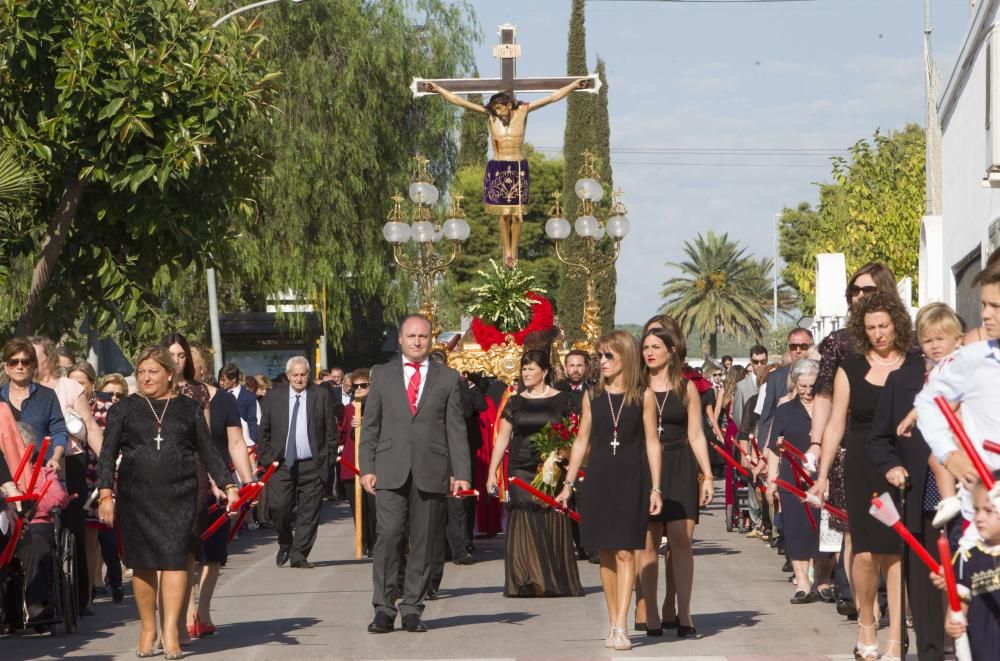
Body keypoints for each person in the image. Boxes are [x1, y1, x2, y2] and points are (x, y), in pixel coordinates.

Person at [97, 346, 239, 659]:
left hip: (181, 495)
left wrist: (229, 484)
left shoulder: (188, 407)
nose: (146, 378)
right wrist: (106, 493)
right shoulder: (124, 409)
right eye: (142, 372)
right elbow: (106, 454)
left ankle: (171, 630)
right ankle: (149, 626)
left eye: (153, 371)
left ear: (169, 375)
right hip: (137, 497)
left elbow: (208, 450)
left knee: (176, 559)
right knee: (143, 564)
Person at [809, 292, 918, 661]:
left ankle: (896, 635)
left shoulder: (915, 364)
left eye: (884, 326)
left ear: (897, 324)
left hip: (904, 462)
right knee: (867, 552)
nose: (878, 334)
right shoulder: (850, 368)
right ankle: (867, 623)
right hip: (861, 463)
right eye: (870, 328)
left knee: (898, 549)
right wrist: (822, 474)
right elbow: (836, 423)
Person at [358, 314, 471, 634]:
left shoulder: (448, 378)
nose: (417, 341)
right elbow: (371, 426)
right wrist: (367, 467)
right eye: (411, 336)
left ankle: (411, 608)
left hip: (431, 471)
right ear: (400, 339)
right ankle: (383, 607)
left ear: (430, 339)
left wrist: (461, 472)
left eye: (423, 336)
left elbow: (455, 429)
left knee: (424, 542)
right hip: (389, 470)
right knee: (389, 536)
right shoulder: (381, 374)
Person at [866, 303, 964, 661]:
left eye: (942, 338)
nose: (935, 346)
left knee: (967, 574)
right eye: (927, 340)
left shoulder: (975, 379)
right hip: (921, 495)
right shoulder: (902, 381)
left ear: (958, 339)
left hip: (969, 495)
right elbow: (877, 438)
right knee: (922, 582)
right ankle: (932, 653)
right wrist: (891, 466)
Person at [557, 330, 663, 651]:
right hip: (599, 479)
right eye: (599, 356)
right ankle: (613, 621)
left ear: (625, 357)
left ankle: (623, 625)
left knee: (625, 551)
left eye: (608, 356)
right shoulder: (592, 396)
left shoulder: (643, 396)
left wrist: (656, 488)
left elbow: (652, 443)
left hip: (632, 479)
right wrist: (568, 483)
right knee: (604, 553)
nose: (601, 362)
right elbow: (581, 441)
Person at [634, 325, 713, 638]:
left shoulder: (686, 388)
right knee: (648, 543)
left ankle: (684, 611)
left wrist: (706, 475)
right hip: (645, 464)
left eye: (656, 347)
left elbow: (696, 434)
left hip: (680, 463)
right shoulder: (636, 386)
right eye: (645, 347)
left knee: (681, 541)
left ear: (671, 352)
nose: (650, 352)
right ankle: (650, 611)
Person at [485, 350, 583, 597]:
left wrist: (564, 458)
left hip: (552, 467)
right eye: (524, 368)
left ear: (545, 372)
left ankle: (552, 579)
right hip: (521, 467)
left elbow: (574, 435)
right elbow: (502, 440)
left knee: (550, 517)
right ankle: (526, 579)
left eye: (531, 368)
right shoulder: (515, 402)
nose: (526, 373)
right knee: (525, 520)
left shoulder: (564, 399)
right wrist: (491, 473)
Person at [187, 379, 255, 637]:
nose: (180, 361)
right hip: (180, 484)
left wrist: (247, 483)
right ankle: (183, 615)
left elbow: (236, 443)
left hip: (218, 483)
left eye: (185, 357)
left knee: (213, 551)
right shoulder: (165, 400)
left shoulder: (224, 400)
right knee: (183, 553)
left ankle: (202, 613)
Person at [764, 359, 835, 604]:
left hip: (823, 476)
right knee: (796, 530)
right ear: (794, 383)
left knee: (823, 530)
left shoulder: (829, 407)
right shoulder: (784, 409)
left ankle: (823, 581)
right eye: (802, 386)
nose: (807, 391)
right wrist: (772, 480)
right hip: (792, 478)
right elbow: (774, 447)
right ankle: (802, 582)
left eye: (811, 386)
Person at [258, 356, 337, 569]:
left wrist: (328, 458)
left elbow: (331, 430)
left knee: (309, 511)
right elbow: (264, 430)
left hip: (313, 463)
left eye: (303, 375)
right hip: (281, 464)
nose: (299, 379)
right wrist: (266, 458)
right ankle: (285, 542)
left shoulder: (321, 395)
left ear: (309, 374)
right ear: (288, 376)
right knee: (279, 507)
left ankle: (299, 554)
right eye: (295, 375)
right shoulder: (274, 397)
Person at [929, 473, 1000, 661]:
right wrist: (952, 621)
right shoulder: (967, 557)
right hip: (983, 650)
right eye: (976, 510)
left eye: (988, 510)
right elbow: (960, 603)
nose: (979, 518)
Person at [757, 328, 815, 443]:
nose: (797, 351)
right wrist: (764, 449)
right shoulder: (775, 377)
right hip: (784, 446)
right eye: (793, 346)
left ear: (811, 347)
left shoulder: (823, 375)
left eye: (803, 346)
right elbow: (767, 416)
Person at [342, 369, 377, 557]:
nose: (359, 389)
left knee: (374, 506)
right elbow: (340, 434)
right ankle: (362, 541)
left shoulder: (378, 407)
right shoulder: (348, 409)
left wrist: (364, 422)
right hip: (351, 465)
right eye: (356, 386)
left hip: (373, 466)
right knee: (358, 508)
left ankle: (377, 542)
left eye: (364, 385)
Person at [218, 363, 259, 445]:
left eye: (223, 380)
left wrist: (253, 444)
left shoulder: (249, 396)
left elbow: (252, 421)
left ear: (233, 379)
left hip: (242, 442)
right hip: (222, 443)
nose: (221, 383)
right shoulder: (218, 394)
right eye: (219, 379)